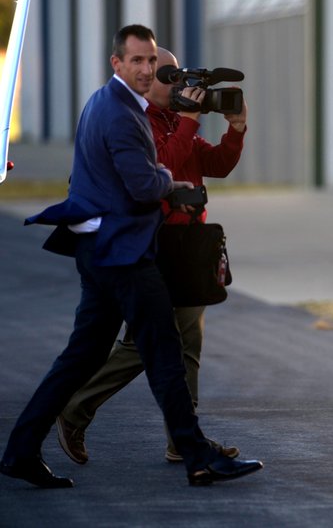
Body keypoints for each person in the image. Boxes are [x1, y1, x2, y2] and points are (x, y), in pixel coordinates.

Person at [0, 25, 262, 488]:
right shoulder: (123, 114)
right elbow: (142, 184)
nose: (150, 72)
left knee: (86, 357)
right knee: (163, 351)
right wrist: (174, 186)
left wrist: (230, 134)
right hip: (124, 249)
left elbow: (206, 164)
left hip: (108, 247)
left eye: (154, 64)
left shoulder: (122, 107)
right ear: (117, 63)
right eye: (141, 63)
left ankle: (22, 449)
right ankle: (194, 454)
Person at [56, 46, 246, 465]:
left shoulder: (176, 121)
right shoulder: (132, 122)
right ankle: (75, 409)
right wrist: (191, 123)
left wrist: (235, 130)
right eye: (166, 76)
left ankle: (182, 439)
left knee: (186, 344)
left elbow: (214, 164)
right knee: (149, 343)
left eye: (178, 75)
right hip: (150, 242)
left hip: (189, 242)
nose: (175, 84)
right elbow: (159, 168)